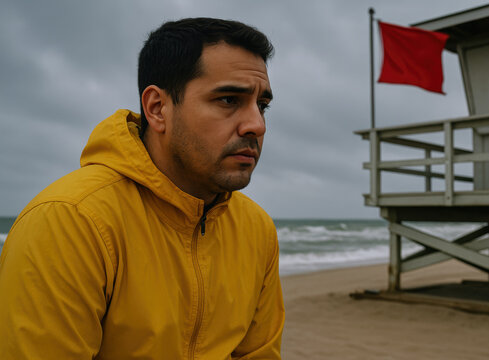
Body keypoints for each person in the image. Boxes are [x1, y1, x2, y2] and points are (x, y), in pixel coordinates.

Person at [0, 18, 284, 359]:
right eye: (227, 100)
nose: (256, 124)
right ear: (157, 109)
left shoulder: (256, 229)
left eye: (262, 106)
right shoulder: (70, 222)